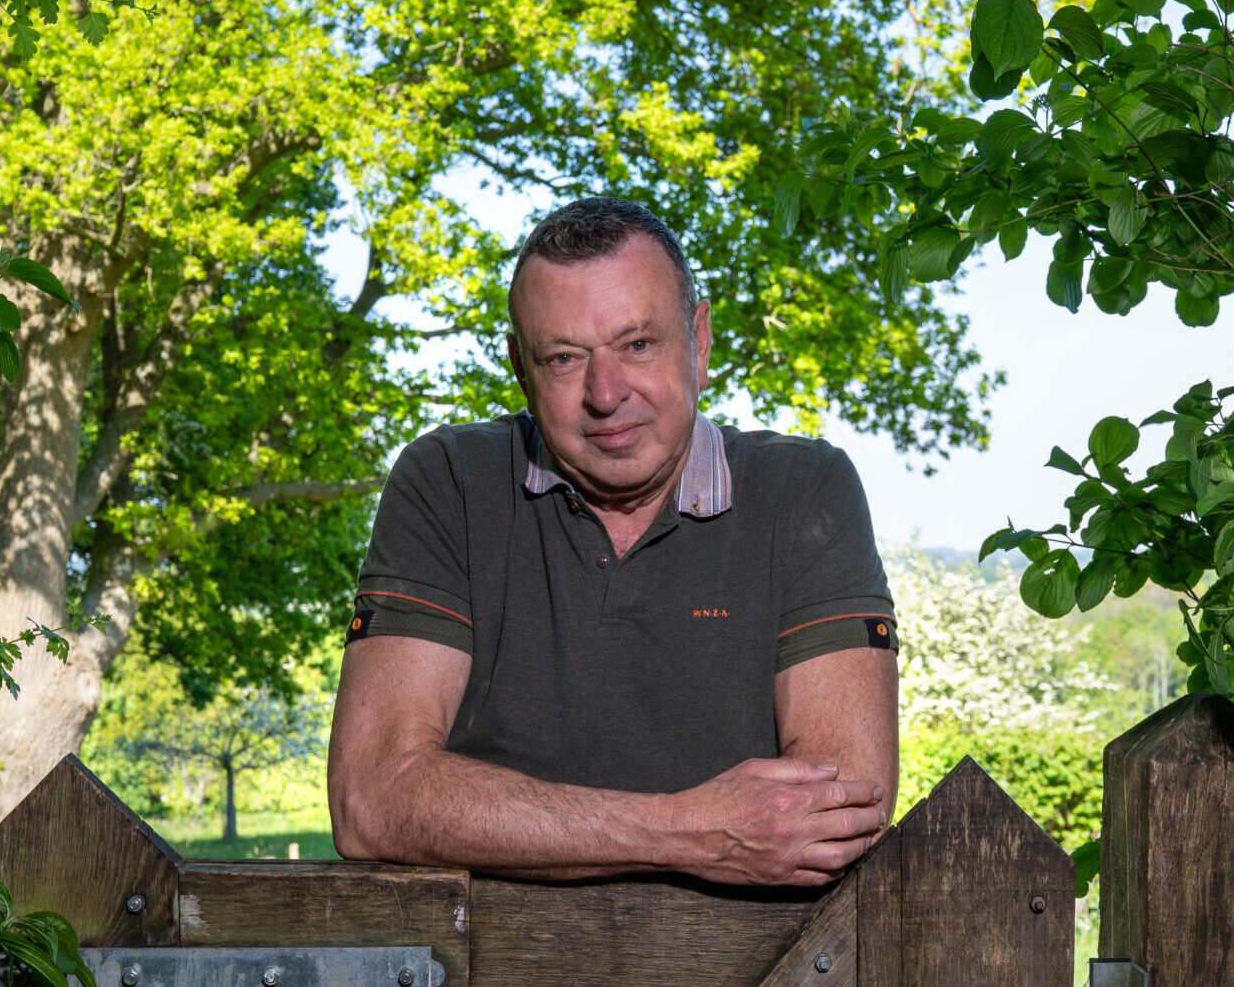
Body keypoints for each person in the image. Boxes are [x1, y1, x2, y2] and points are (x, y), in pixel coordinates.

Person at [327, 197, 899, 887]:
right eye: (564, 357)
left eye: (637, 344)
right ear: (519, 367)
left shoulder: (804, 491)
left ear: (700, 341)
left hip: (756, 983)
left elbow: (834, 816)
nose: (605, 393)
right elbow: (372, 799)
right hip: (481, 978)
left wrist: (514, 821)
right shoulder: (448, 482)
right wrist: (695, 831)